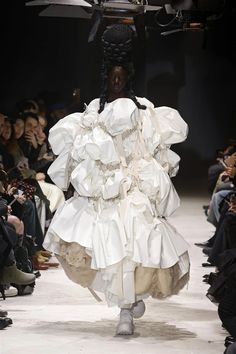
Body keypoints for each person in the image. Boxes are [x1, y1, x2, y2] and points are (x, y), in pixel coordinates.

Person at [43, 24, 190, 335]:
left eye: (122, 77)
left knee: (133, 247)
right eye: (113, 77)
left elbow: (154, 154)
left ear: (130, 77)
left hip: (133, 190)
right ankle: (126, 304)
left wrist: (146, 178)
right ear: (106, 77)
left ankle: (127, 307)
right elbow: (81, 156)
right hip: (104, 193)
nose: (118, 81)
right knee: (110, 248)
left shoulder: (145, 112)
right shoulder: (93, 114)